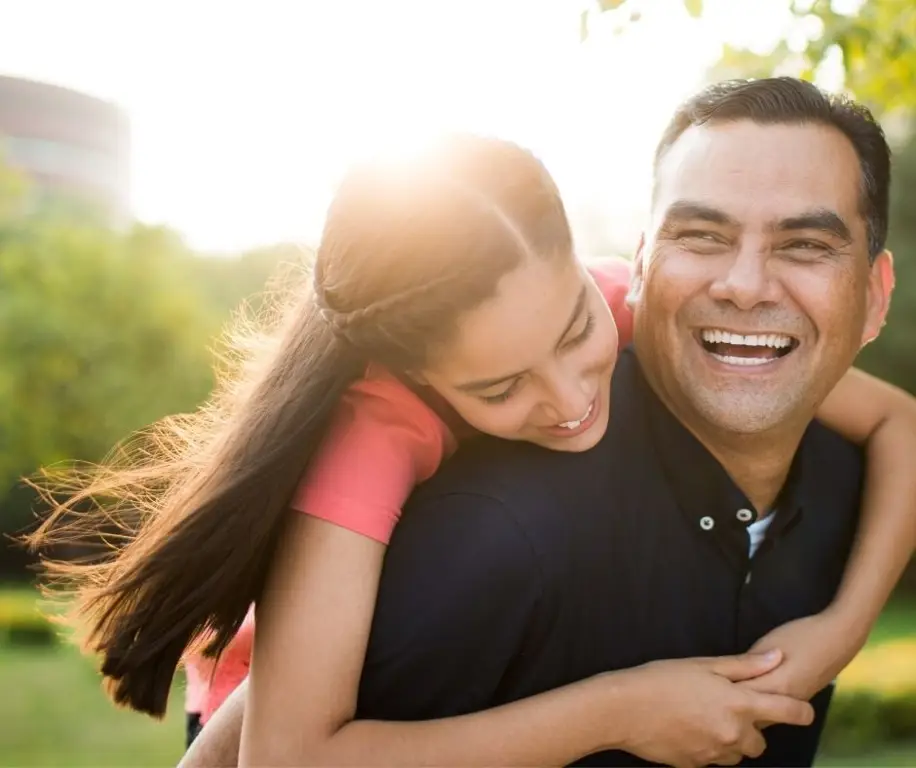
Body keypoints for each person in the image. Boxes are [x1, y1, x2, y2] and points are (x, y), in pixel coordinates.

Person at [27, 83, 911, 768]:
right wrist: (620, 710)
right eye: (499, 386)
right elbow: (282, 754)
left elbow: (900, 424)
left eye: (575, 334)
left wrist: (835, 634)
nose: (571, 400)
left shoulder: (628, 298)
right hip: (260, 692)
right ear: (422, 375)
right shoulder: (375, 432)